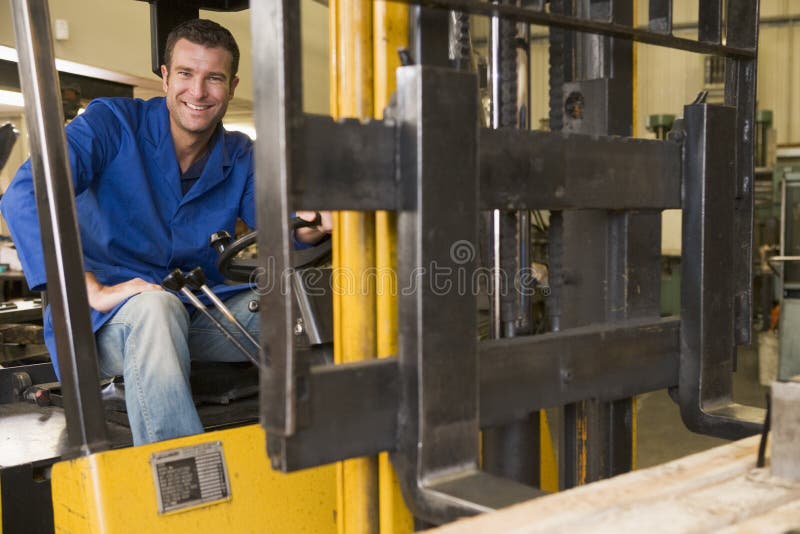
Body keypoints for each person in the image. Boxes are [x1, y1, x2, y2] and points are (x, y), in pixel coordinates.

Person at [0, 18, 331, 445]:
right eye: (186, 75)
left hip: (199, 312)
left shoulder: (241, 156)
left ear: (231, 87)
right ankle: (183, 484)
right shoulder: (111, 125)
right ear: (165, 77)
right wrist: (90, 288)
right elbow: (26, 193)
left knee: (312, 297)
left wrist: (313, 227)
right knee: (156, 308)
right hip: (106, 322)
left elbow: (282, 227)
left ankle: (332, 446)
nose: (198, 92)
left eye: (213, 78)